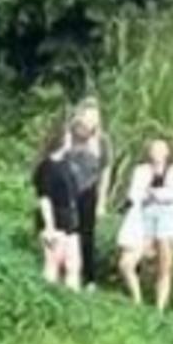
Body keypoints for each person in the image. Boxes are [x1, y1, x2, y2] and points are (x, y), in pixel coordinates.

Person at [117, 139, 173, 311]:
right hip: (143, 219)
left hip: (168, 220)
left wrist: (152, 193)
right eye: (153, 150)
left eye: (160, 150)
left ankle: (159, 308)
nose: (156, 153)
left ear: (167, 153)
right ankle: (137, 300)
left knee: (165, 266)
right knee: (126, 263)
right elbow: (134, 194)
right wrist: (156, 194)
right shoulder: (141, 171)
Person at [65, 97, 113, 290]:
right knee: (66, 231)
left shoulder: (103, 141)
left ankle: (90, 278)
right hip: (66, 189)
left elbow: (106, 172)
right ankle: (67, 272)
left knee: (87, 234)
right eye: (88, 116)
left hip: (89, 190)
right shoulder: (69, 135)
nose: (91, 121)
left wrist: (102, 202)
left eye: (95, 117)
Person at [32, 123, 82, 291]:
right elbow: (44, 198)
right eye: (68, 137)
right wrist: (49, 227)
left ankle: (73, 301)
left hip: (70, 220)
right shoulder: (47, 167)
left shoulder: (66, 164)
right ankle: (47, 298)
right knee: (53, 262)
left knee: (73, 264)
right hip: (55, 218)